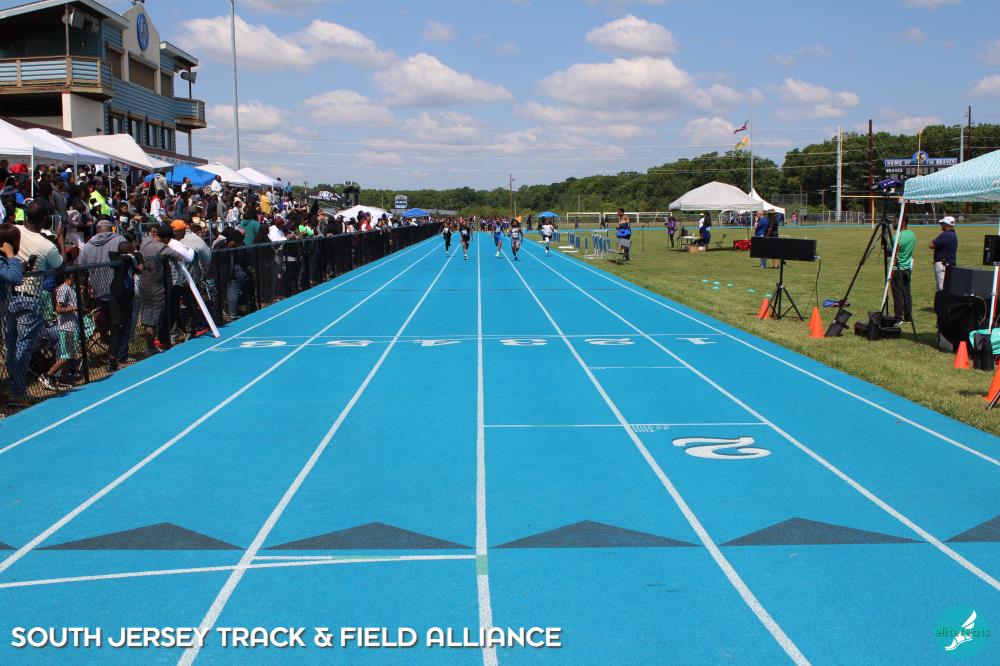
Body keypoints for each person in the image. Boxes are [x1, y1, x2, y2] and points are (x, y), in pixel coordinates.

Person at [7, 202, 63, 404]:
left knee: (11, 345)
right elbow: (61, 266)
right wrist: (61, 238)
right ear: (45, 219)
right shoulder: (46, 245)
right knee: (24, 346)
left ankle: (13, 387)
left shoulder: (13, 231)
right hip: (30, 297)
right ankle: (18, 392)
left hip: (9, 295)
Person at [41, 271, 78, 391]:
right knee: (66, 355)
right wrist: (74, 308)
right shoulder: (63, 289)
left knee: (70, 355)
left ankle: (63, 379)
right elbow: (58, 309)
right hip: (66, 327)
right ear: (70, 275)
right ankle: (48, 375)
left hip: (73, 325)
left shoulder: (71, 289)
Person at [891, 215, 916, 323]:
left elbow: (892, 252)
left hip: (898, 268)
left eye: (895, 221)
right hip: (907, 267)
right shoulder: (912, 235)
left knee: (897, 294)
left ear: (903, 222)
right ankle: (908, 316)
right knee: (907, 293)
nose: (893, 223)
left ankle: (898, 317)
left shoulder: (897, 236)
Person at [929, 215, 957, 291]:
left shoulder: (945, 235)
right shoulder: (953, 234)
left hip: (943, 265)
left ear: (946, 224)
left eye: (942, 223)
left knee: (942, 288)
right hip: (950, 263)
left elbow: (931, 245)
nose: (941, 225)